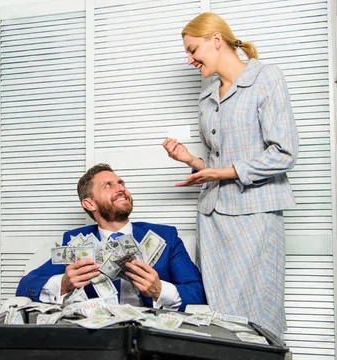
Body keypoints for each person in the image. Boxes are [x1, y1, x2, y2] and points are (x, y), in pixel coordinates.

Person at [162, 12, 299, 339]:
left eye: (193, 50)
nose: (190, 59)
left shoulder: (266, 78)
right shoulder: (207, 96)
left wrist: (224, 171)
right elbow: (215, 162)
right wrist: (191, 160)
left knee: (257, 316)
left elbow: (284, 151)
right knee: (218, 320)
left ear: (216, 40)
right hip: (212, 219)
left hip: (254, 216)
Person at [16, 163, 206, 312]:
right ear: (89, 203)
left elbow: (198, 293)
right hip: (101, 340)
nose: (121, 188)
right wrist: (63, 283)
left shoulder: (165, 238)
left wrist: (160, 290)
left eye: (121, 183)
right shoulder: (75, 243)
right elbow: (26, 286)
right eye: (108, 185)